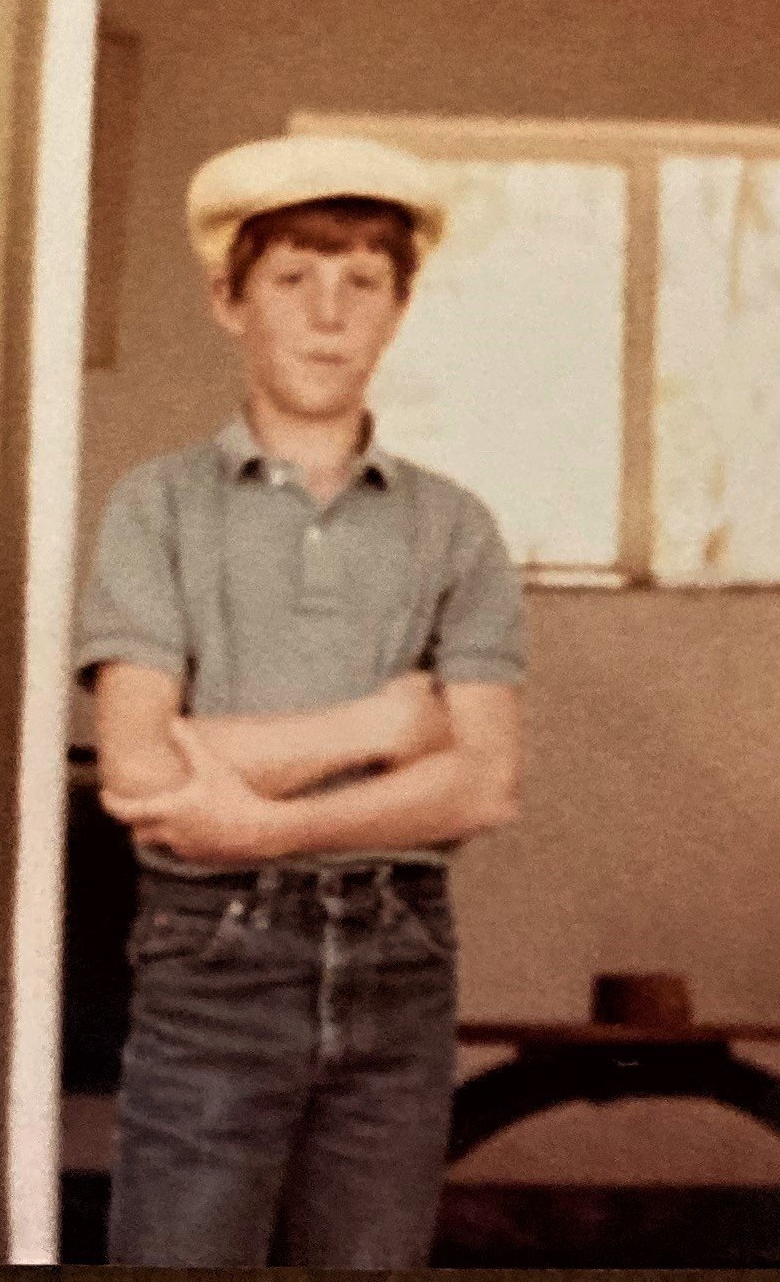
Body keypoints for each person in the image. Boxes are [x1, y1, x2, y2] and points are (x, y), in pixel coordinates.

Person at [76, 134, 527, 1270]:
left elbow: (482, 778)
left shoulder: (453, 526)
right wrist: (384, 728)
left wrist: (268, 820)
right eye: (292, 280)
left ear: (397, 307)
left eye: (361, 284)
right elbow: (137, 768)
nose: (329, 315)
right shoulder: (161, 508)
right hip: (211, 956)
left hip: (402, 953)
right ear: (230, 301)